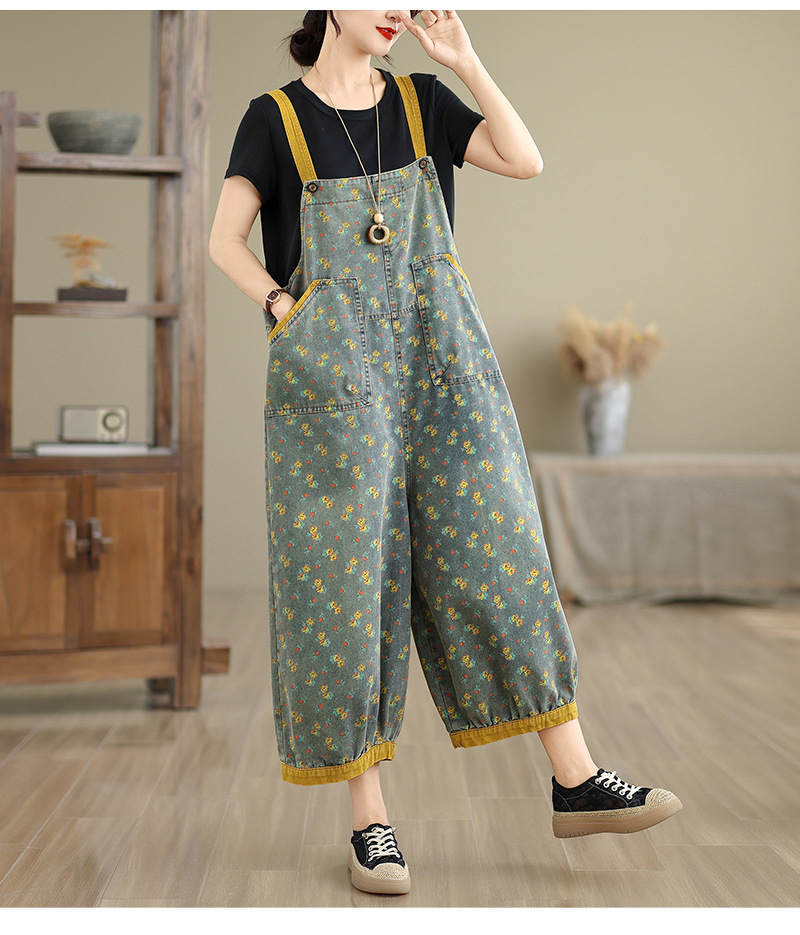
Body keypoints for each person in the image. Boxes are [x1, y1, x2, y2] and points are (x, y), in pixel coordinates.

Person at [209, 10, 681, 897]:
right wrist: (283, 307)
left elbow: (524, 159)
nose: (396, 8)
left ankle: (576, 777)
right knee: (346, 586)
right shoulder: (273, 119)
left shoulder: (424, 103)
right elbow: (221, 240)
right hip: (332, 380)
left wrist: (465, 59)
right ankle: (370, 822)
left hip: (444, 367)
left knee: (500, 550)